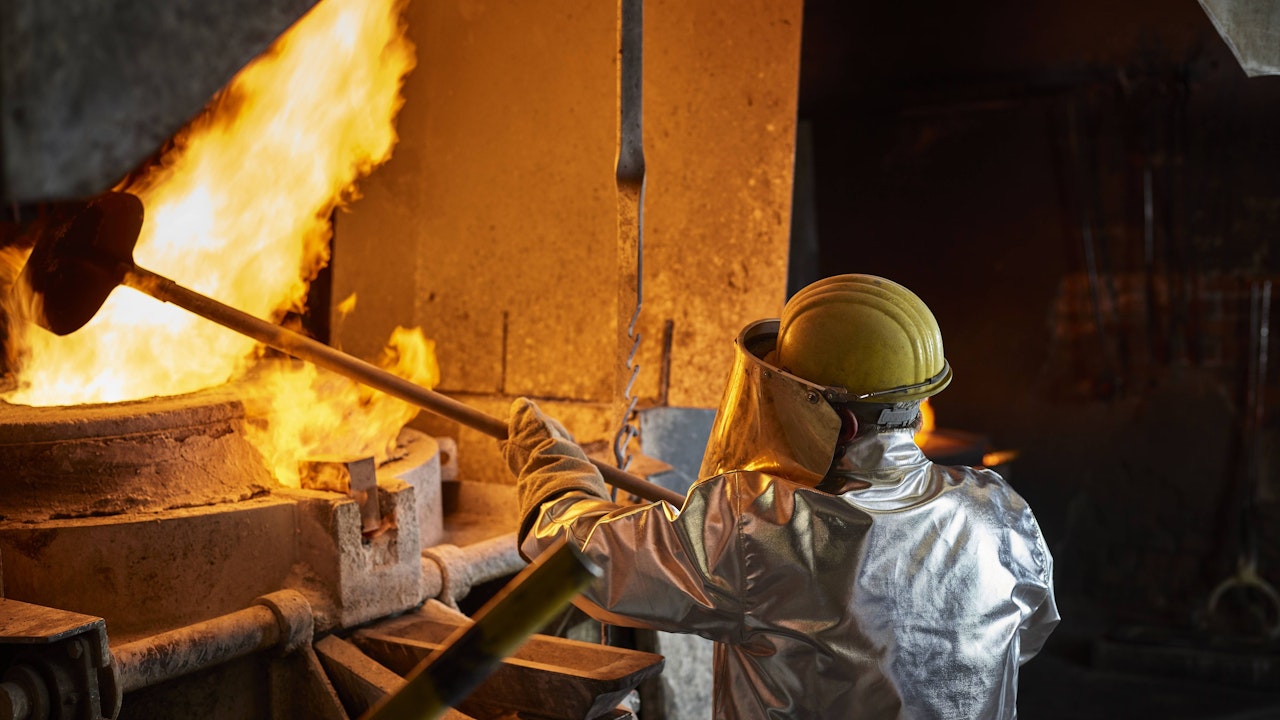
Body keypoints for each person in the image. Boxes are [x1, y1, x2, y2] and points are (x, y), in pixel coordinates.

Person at [501, 274, 1059, 719]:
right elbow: (1024, 638)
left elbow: (582, 559)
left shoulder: (766, 527)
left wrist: (551, 467)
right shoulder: (1000, 510)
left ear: (838, 421)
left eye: (784, 392)